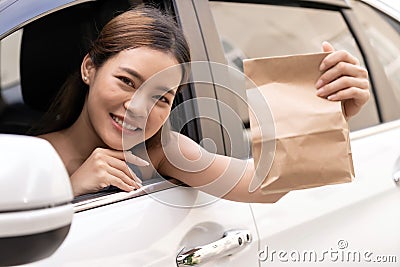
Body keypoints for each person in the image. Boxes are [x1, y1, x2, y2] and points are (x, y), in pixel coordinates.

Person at [37, 6, 370, 202]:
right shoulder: (27, 156)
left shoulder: (161, 151)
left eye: (161, 98)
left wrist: (331, 113)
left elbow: (265, 186)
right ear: (89, 68)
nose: (139, 107)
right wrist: (70, 189)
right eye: (126, 81)